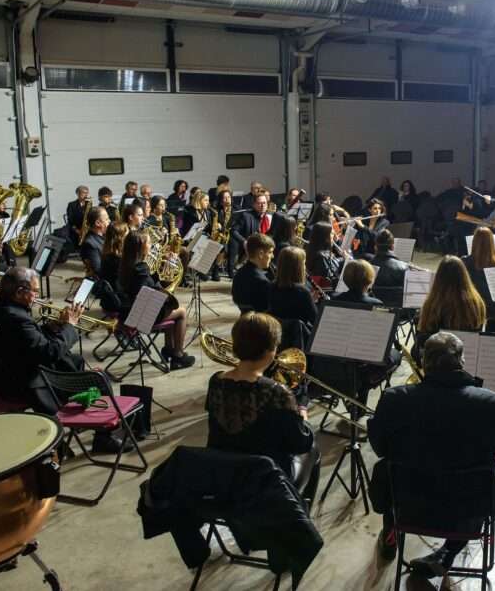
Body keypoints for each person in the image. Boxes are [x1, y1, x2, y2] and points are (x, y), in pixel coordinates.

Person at [368, 331, 495, 576]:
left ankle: (391, 533)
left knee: (392, 466)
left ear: (424, 361)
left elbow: (380, 447)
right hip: (467, 506)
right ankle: (450, 549)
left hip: (407, 503)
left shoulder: (394, 399)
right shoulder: (492, 404)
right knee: (479, 475)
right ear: (462, 362)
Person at [206, 312, 317, 490]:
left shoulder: (215, 380)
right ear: (270, 351)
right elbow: (300, 443)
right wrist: (302, 414)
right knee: (312, 446)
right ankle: (298, 505)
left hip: (221, 468)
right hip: (266, 477)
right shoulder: (277, 392)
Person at [0, 268, 90, 423]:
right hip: (25, 380)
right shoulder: (17, 317)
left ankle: (79, 409)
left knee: (76, 360)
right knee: (96, 380)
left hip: (13, 368)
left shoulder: (0, 307)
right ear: (20, 292)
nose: (37, 296)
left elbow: (28, 339)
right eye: (35, 291)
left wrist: (55, 326)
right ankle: (94, 429)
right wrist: (70, 326)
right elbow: (49, 353)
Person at [118, 231, 194, 369]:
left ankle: (168, 349)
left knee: (171, 308)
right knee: (181, 312)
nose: (151, 245)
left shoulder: (125, 264)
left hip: (128, 312)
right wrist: (165, 275)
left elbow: (149, 284)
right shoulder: (141, 268)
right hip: (141, 316)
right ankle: (178, 355)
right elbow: (152, 293)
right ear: (141, 247)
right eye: (148, 243)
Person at [415, 256, 486, 362]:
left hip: (437, 361)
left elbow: (424, 337)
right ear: (464, 275)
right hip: (468, 357)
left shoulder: (433, 303)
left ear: (439, 277)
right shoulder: (477, 301)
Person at [461, 227, 495, 331]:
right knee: (493, 331)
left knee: (474, 330)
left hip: (473, 304)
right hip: (494, 307)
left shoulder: (465, 262)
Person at [268, 247, 318, 328]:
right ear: (298, 267)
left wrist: (310, 300)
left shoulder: (272, 286)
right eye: (304, 264)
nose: (305, 267)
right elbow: (316, 320)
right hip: (298, 337)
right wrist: (312, 301)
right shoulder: (302, 292)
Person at [230, 190, 273, 272]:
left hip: (269, 251)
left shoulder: (271, 216)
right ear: (254, 204)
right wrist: (244, 241)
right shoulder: (246, 216)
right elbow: (233, 231)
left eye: (264, 203)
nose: (262, 205)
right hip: (252, 253)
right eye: (259, 203)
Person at [232, 234, 276, 314]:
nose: (272, 256)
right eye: (270, 252)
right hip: (259, 322)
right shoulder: (262, 282)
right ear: (261, 254)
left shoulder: (239, 273)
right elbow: (268, 308)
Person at [370, 229, 409, 304]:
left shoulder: (367, 266)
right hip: (396, 310)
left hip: (371, 308)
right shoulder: (404, 267)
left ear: (375, 247)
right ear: (392, 247)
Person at [306, 222, 342, 289]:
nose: (334, 236)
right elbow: (330, 279)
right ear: (324, 237)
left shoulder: (314, 250)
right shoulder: (321, 257)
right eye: (331, 234)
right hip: (328, 291)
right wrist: (344, 263)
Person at [79, 206, 109, 279]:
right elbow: (98, 270)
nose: (109, 221)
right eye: (107, 219)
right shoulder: (90, 244)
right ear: (98, 223)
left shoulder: (104, 236)